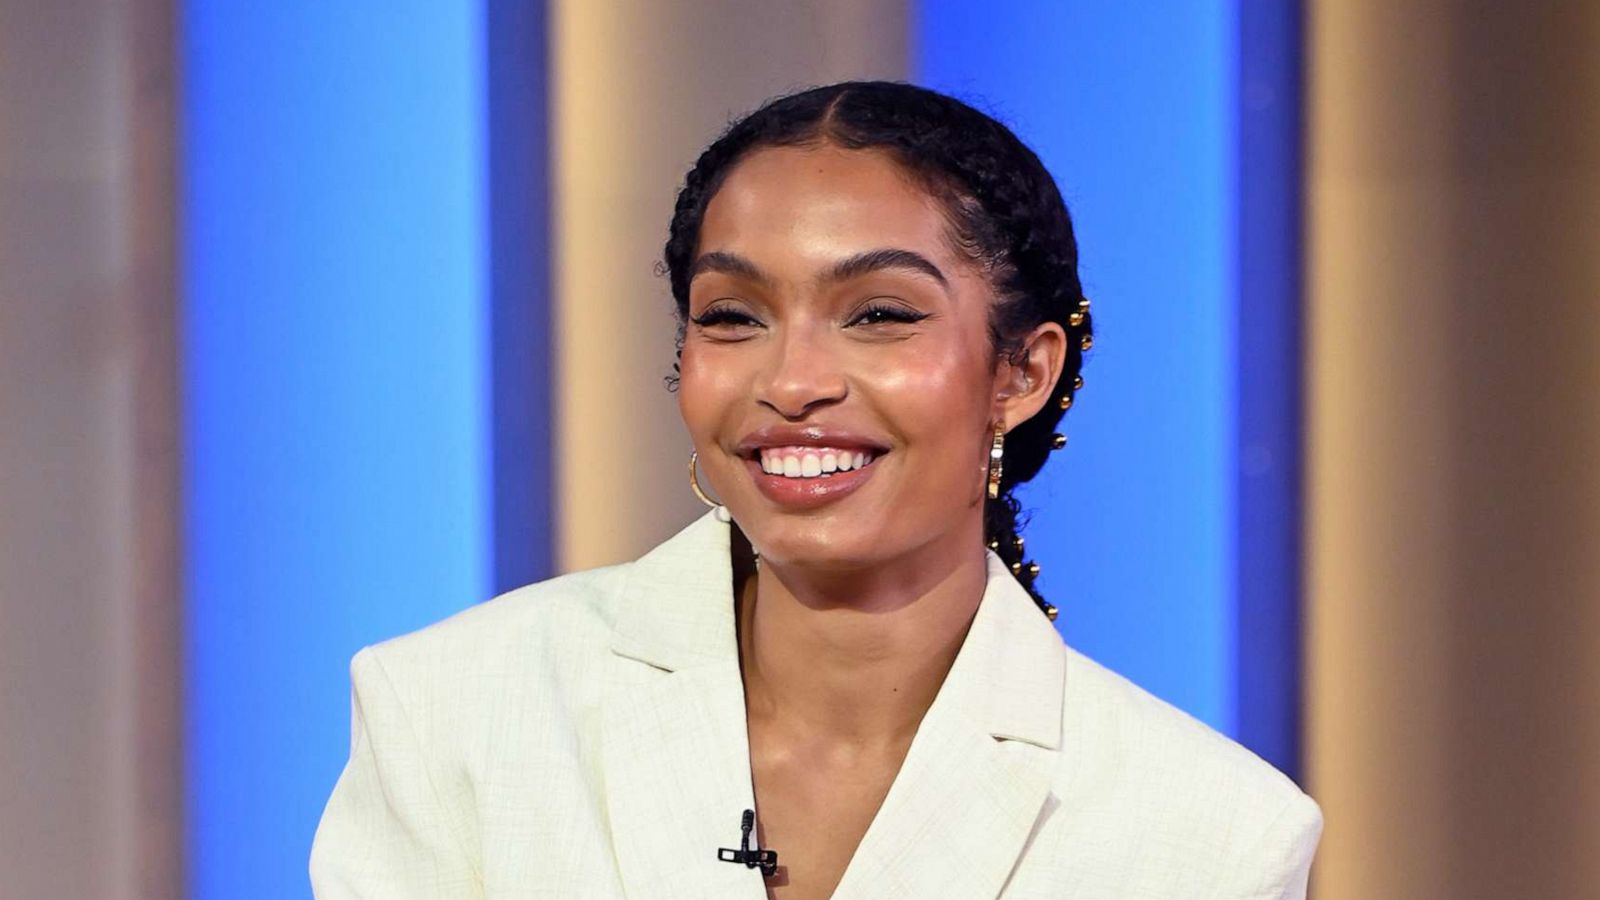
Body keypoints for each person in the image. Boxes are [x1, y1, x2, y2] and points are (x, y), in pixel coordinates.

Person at [310, 81, 1321, 899]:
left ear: (1021, 372)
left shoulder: (1209, 835)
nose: (790, 383)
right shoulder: (456, 713)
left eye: (879, 314)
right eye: (733, 317)